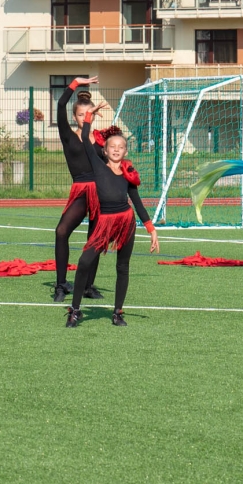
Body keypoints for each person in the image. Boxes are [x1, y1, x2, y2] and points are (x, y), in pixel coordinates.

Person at [67, 103, 160, 328]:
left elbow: (137, 203)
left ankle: (118, 312)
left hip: (125, 222)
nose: (116, 149)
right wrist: (89, 114)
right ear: (105, 151)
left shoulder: (129, 174)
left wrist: (151, 229)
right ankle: (76, 310)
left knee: (123, 267)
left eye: (121, 146)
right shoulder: (97, 166)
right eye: (112, 146)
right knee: (84, 261)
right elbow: (86, 134)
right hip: (104, 223)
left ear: (125, 151)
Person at [52, 76, 104, 302]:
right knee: (61, 231)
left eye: (88, 114)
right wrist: (74, 83)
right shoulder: (69, 136)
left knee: (96, 238)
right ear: (75, 117)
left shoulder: (102, 141)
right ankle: (61, 284)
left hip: (101, 191)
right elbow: (60, 104)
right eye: (81, 115)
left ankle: (88, 286)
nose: (85, 118)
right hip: (81, 190)